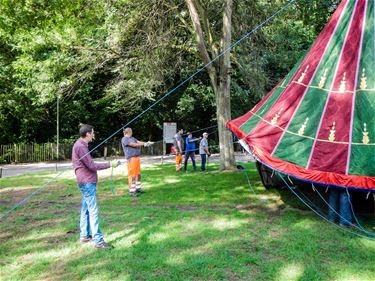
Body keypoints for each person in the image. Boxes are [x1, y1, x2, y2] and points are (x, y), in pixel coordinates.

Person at [72, 124, 117, 249]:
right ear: (87, 134)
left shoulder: (80, 145)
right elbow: (91, 165)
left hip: (85, 182)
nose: (93, 135)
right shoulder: (81, 146)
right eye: (92, 132)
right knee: (93, 211)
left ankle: (85, 236)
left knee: (85, 209)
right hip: (87, 182)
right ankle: (98, 241)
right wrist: (110, 164)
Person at [121, 127, 152, 196]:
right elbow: (133, 144)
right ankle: (132, 191)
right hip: (131, 158)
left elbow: (138, 142)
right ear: (128, 132)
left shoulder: (133, 138)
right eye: (131, 131)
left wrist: (146, 143)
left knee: (138, 174)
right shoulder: (124, 139)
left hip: (137, 158)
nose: (132, 132)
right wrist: (143, 144)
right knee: (132, 175)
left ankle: (138, 188)